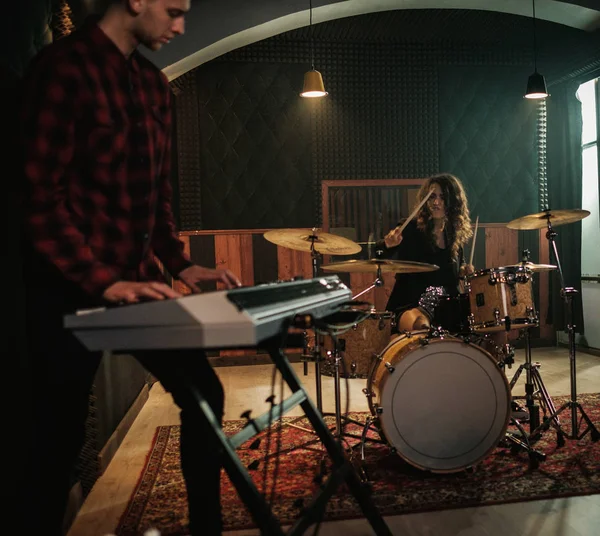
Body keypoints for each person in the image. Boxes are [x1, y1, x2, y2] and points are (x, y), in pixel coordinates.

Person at [18, 1, 240, 534]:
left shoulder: (152, 86)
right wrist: (103, 281)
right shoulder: (62, 69)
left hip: (138, 285)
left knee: (204, 395)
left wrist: (181, 264)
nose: (182, 26)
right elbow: (38, 197)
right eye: (174, 10)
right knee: (58, 438)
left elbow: (156, 197)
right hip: (64, 288)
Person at [376, 173, 475, 333]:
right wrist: (387, 245)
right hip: (412, 304)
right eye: (432, 197)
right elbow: (378, 254)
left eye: (443, 197)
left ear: (453, 202)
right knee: (420, 325)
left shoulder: (454, 234)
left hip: (447, 308)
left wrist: (463, 270)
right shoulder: (410, 229)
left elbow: (454, 272)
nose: (436, 202)